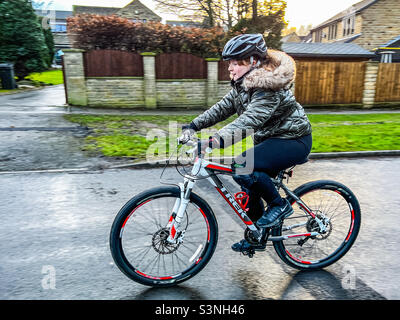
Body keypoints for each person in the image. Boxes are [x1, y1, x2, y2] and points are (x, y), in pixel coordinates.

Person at [182, 34, 312, 252]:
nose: (230, 68)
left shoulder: (269, 87)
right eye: (229, 63)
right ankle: (257, 237)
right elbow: (222, 108)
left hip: (293, 139)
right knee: (251, 183)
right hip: (272, 139)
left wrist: (213, 142)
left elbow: (249, 121)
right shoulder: (242, 86)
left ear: (253, 61)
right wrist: (193, 125)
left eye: (236, 62)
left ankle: (279, 206)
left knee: (242, 166)